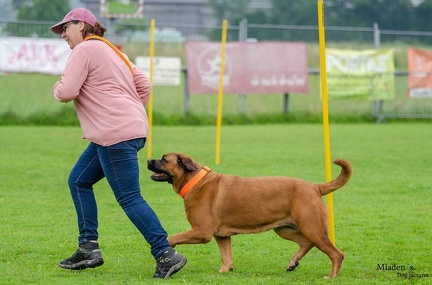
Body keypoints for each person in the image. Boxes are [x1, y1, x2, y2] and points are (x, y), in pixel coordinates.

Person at [50, 8, 186, 279]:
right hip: (126, 130)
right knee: (79, 181)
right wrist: (131, 113)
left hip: (114, 133)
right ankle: (88, 248)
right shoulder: (114, 51)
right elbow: (144, 84)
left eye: (66, 27)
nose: (63, 34)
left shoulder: (84, 50)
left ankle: (165, 252)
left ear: (83, 25)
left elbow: (67, 91)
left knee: (129, 197)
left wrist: (56, 88)